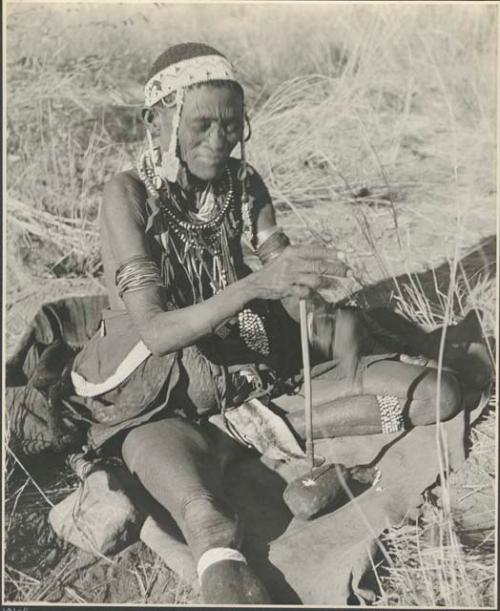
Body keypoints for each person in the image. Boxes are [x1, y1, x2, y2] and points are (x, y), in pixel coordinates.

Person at [67, 42, 485, 603]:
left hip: (249, 367)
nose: (219, 142)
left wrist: (316, 312)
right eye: (201, 126)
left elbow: (280, 281)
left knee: (439, 395)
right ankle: (241, 462)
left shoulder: (243, 183)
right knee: (209, 525)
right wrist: (258, 287)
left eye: (232, 126)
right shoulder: (129, 194)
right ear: (156, 121)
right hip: (160, 393)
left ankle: (278, 430)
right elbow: (157, 331)